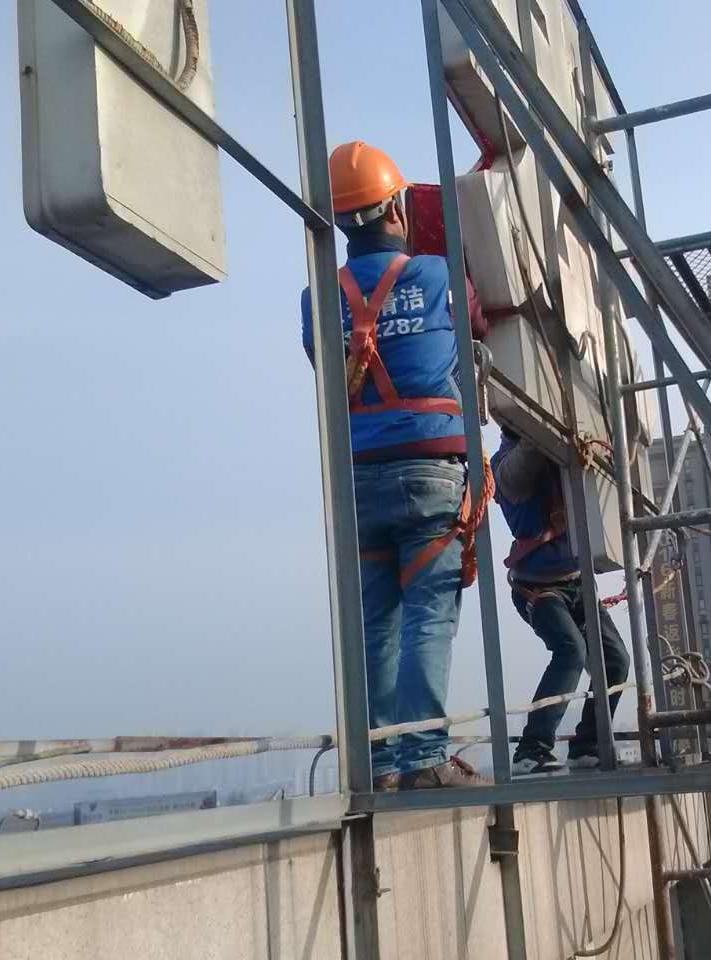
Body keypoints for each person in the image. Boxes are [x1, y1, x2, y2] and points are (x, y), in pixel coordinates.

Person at [302, 141, 488, 790]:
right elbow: (475, 323)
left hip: (359, 478)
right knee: (429, 614)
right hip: (431, 469)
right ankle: (423, 758)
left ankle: (381, 763)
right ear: (397, 209)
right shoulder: (437, 276)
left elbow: (326, 365)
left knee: (376, 622)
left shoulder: (315, 298)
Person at [492, 426, 631, 774]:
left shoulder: (567, 458)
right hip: (538, 588)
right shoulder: (506, 465)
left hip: (577, 583)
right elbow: (528, 457)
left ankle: (588, 746)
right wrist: (545, 420)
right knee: (571, 651)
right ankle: (531, 751)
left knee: (615, 660)